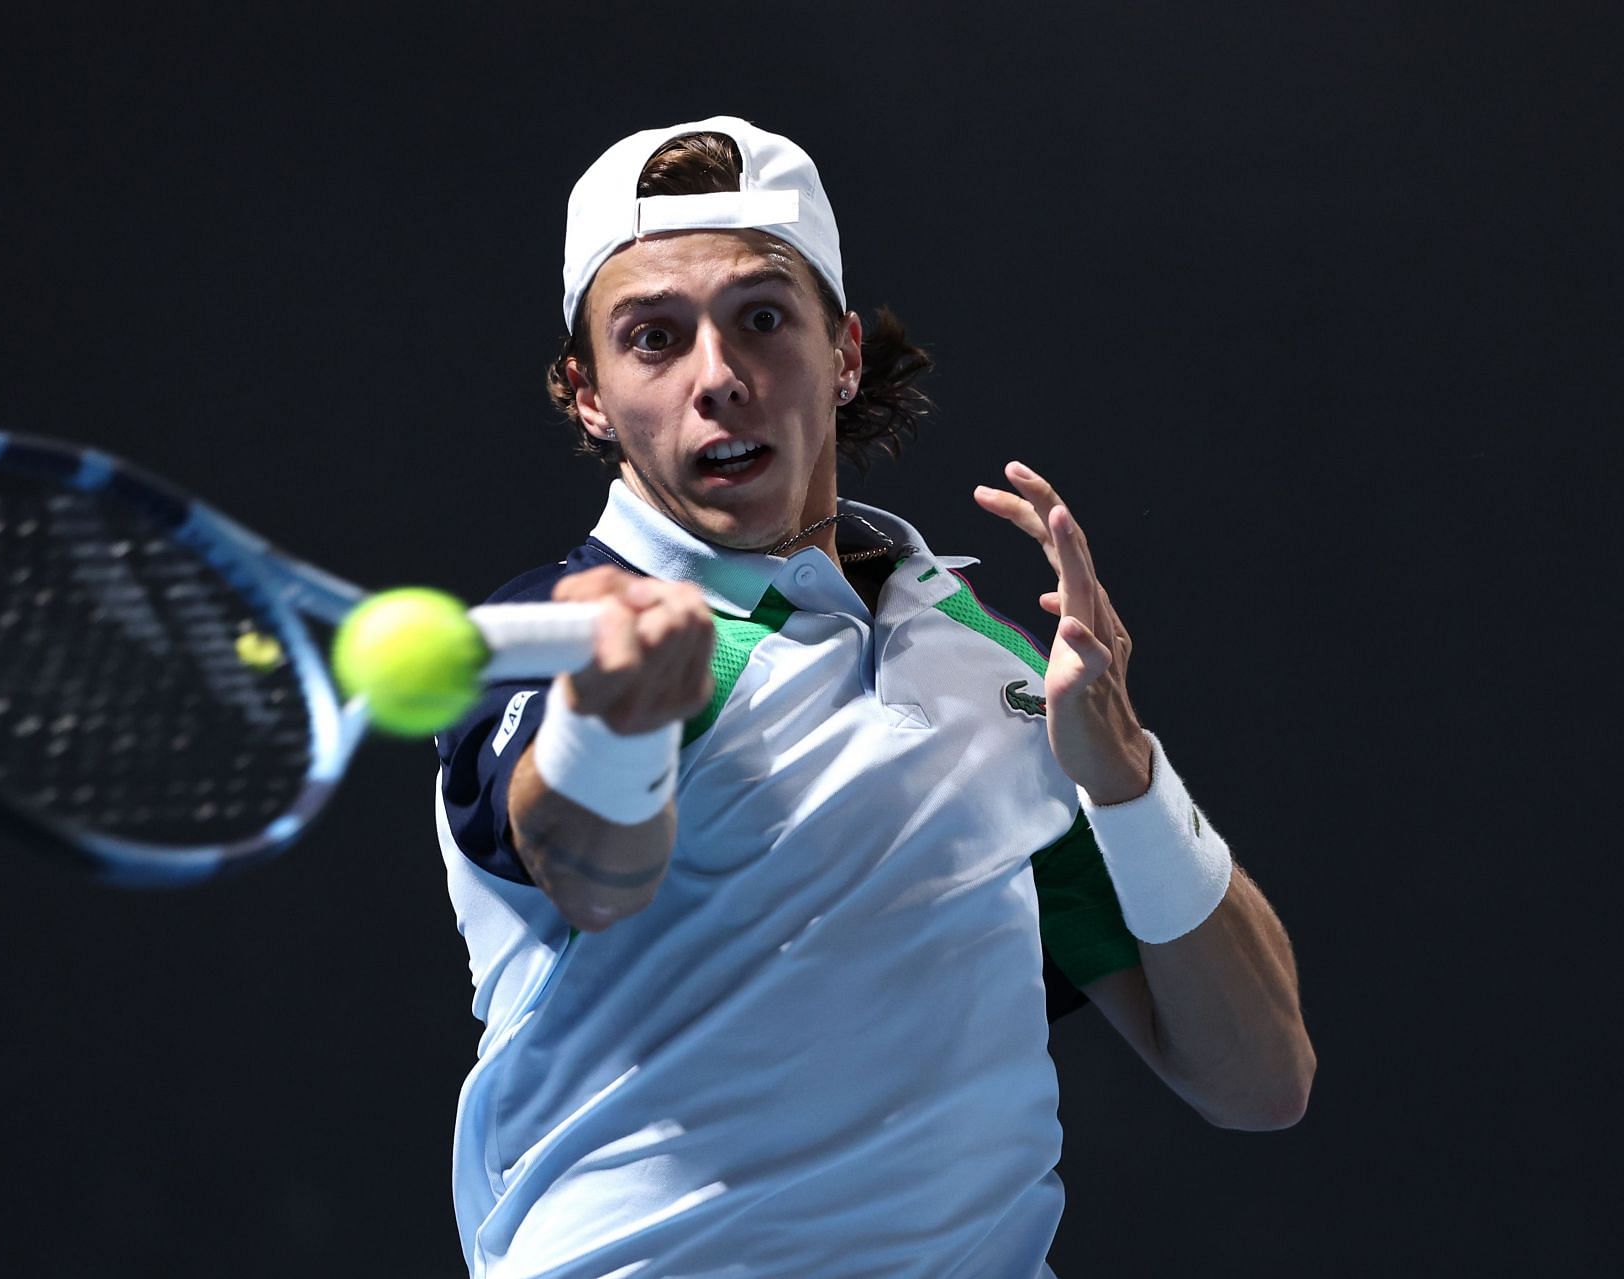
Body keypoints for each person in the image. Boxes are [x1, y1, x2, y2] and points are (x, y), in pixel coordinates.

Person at [434, 116, 1314, 1278]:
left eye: (762, 319)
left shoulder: (998, 668)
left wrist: (1128, 779)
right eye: (653, 339)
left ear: (843, 354)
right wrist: (617, 718)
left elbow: (1261, 1080)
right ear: (586, 394)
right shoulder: (556, 640)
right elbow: (590, 870)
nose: (719, 380)